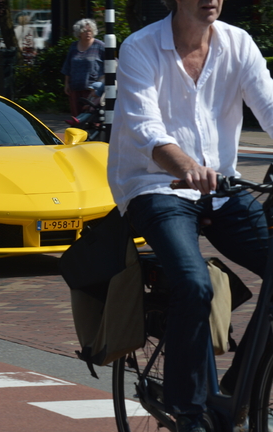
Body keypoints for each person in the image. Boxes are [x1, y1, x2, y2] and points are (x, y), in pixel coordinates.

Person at [107, 0, 272, 431]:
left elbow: (269, 106)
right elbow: (144, 126)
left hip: (222, 189)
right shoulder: (140, 48)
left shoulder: (239, 44)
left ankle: (238, 391)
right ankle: (189, 410)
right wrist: (186, 167)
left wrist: (209, 176)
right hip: (155, 186)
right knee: (194, 284)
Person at [61, 18, 104, 117]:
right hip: (75, 87)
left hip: (93, 89)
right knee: (77, 117)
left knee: (91, 117)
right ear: (79, 33)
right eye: (85, 31)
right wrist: (66, 84)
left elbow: (112, 64)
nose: (88, 33)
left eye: (90, 31)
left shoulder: (100, 46)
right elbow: (68, 66)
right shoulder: (73, 46)